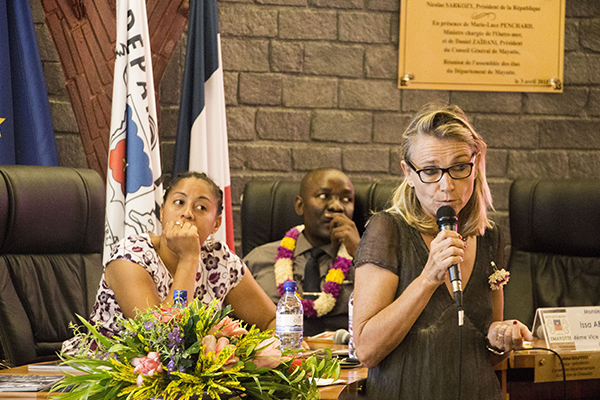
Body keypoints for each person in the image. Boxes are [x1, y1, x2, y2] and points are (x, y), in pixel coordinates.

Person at [352, 104, 533, 400]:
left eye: (460, 167)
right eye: (430, 171)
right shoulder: (387, 230)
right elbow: (367, 350)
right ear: (408, 173)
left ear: (476, 164)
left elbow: (487, 355)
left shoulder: (490, 236)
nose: (446, 186)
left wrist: (501, 338)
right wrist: (427, 278)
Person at [62, 171, 276, 353]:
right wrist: (189, 258)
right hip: (107, 375)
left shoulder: (220, 260)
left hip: (185, 379)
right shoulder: (131, 255)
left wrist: (256, 352)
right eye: (179, 202)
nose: (187, 213)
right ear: (163, 212)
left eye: (201, 208)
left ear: (216, 224)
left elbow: (272, 322)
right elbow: (161, 339)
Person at [244, 168, 360, 336]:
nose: (337, 206)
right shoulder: (257, 260)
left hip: (345, 359)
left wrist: (361, 254)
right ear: (300, 205)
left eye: (346, 199)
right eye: (323, 196)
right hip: (277, 358)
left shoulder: (367, 263)